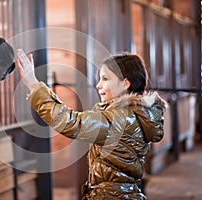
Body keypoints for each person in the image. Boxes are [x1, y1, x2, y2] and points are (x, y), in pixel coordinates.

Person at [16, 49, 167, 200]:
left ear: (125, 84)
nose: (98, 85)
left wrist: (34, 85)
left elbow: (70, 122)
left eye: (105, 79)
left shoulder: (118, 120)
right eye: (99, 79)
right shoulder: (135, 115)